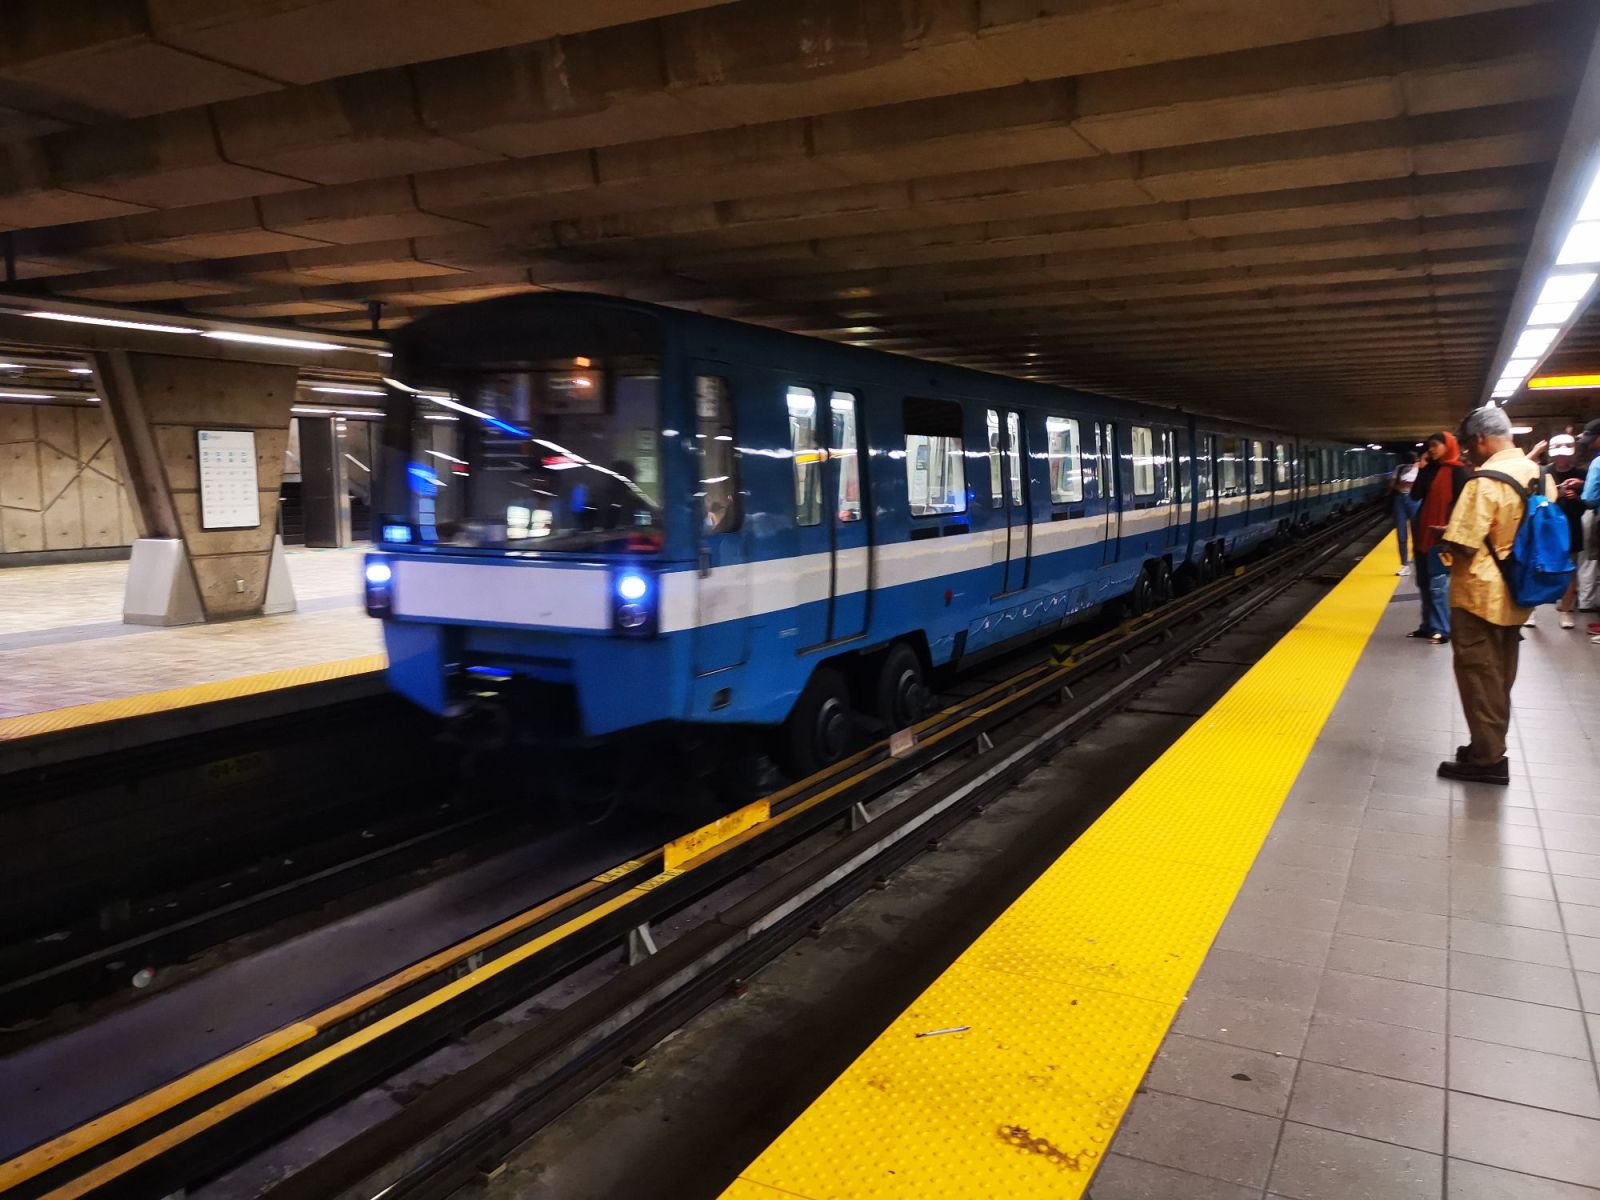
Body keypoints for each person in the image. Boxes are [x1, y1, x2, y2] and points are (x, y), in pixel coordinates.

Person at [1435, 404, 1558, 784]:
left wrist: (1444, 539)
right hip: (1519, 590)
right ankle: (1485, 745)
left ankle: (1487, 760)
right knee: (1500, 674)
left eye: (1469, 445)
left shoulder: (1483, 482)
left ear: (1481, 440)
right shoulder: (1539, 475)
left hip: (1479, 596)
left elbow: (1464, 543)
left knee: (1478, 675)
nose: (1469, 453)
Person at [1407, 431, 1470, 644]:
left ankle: (1442, 629)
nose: (1431, 449)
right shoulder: (1430, 469)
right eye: (1429, 446)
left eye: (1435, 445)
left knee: (1438, 584)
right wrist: (1422, 469)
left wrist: (1451, 528)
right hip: (1424, 533)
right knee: (1424, 582)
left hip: (1442, 536)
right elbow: (1415, 494)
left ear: (1448, 445)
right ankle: (1427, 626)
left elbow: (1464, 504)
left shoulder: (1458, 472)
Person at [1544, 433, 1587, 629]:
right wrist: (1555, 493)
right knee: (1540, 566)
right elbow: (1534, 499)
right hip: (1547, 526)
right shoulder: (1544, 472)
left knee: (1570, 569)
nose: (1562, 458)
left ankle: (1566, 610)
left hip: (1571, 525)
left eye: (1565, 454)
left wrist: (1577, 495)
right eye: (1558, 454)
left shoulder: (1581, 475)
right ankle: (1532, 609)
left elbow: (1588, 503)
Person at [1388, 453, 1421, 575]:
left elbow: (1423, 486)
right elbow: (1391, 485)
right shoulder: (1399, 468)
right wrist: (1401, 485)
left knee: (1415, 533)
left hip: (1414, 500)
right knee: (1403, 533)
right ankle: (1405, 564)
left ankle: (1417, 561)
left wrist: (1411, 485)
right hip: (1402, 500)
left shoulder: (1420, 469)